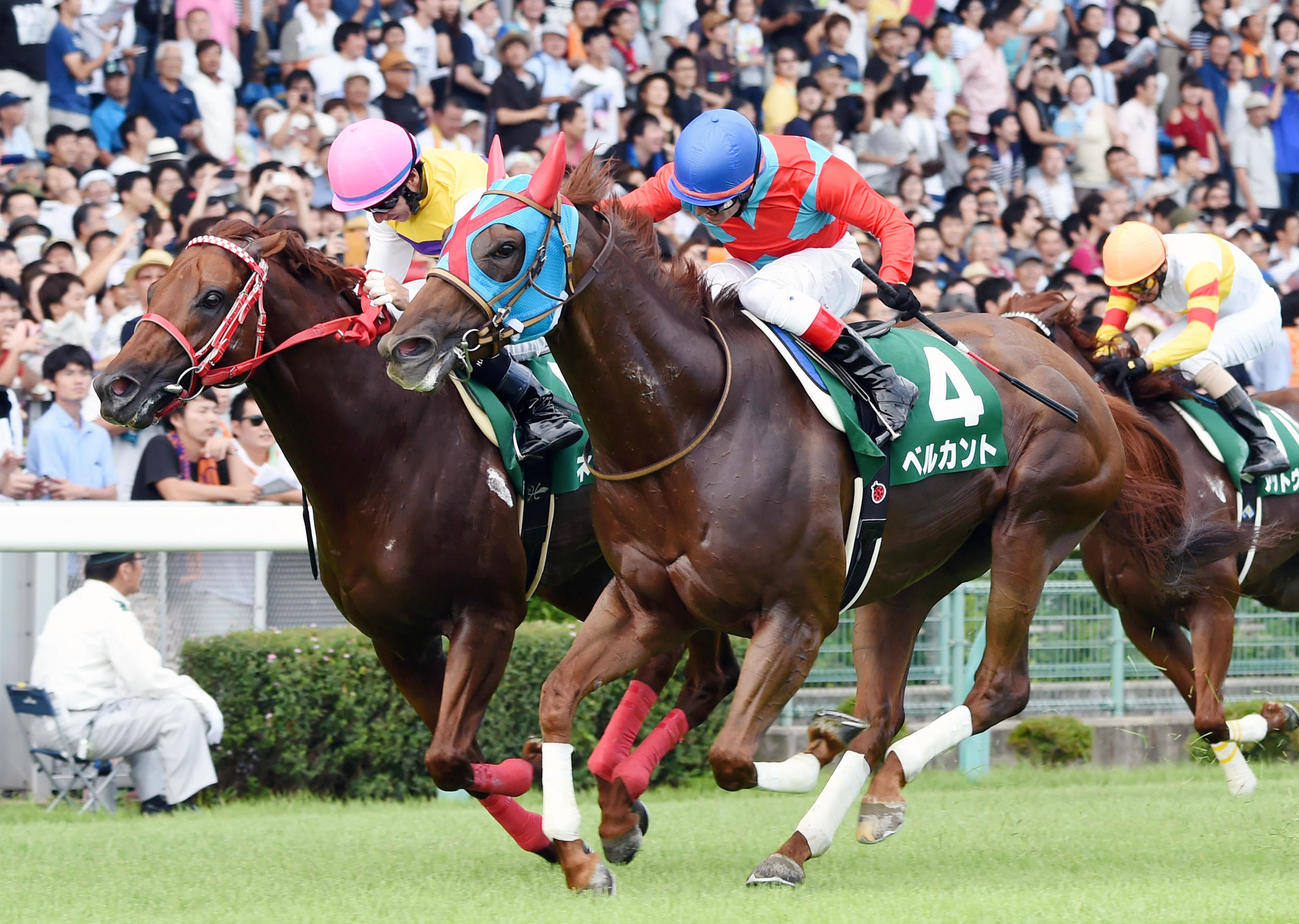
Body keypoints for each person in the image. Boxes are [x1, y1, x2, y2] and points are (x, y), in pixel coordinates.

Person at [617, 108, 920, 442]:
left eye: (713, 208)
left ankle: (882, 380)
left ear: (747, 188)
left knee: (759, 292)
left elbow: (891, 221)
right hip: (760, 269)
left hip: (831, 261)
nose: (699, 214)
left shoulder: (812, 172)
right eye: (692, 203)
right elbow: (611, 216)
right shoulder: (692, 178)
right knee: (709, 288)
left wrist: (894, 277)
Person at [327, 118, 580, 461]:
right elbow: (378, 278)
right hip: (466, 286)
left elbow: (471, 289)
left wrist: (405, 296)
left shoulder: (468, 192)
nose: (379, 219)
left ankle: (537, 405)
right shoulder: (393, 200)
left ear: (413, 180)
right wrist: (366, 315)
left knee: (445, 324)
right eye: (369, 209)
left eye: (383, 207)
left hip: (517, 294)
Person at [30, 551, 223, 813]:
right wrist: (201, 698)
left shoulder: (68, 605)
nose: (143, 570)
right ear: (125, 570)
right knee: (179, 710)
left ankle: (155, 800)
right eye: (140, 563)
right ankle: (180, 802)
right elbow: (146, 678)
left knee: (146, 711)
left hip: (52, 727)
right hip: (80, 731)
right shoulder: (109, 611)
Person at [1097, 221, 1289, 477]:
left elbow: (1198, 337)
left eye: (1142, 287)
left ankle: (1264, 445)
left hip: (1255, 313)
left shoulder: (1198, 265)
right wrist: (1100, 359)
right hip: (1215, 311)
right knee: (1154, 353)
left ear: (1163, 266)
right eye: (1127, 288)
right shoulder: (1132, 273)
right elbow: (1108, 331)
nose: (1136, 295)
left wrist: (1142, 364)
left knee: (1195, 357)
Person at [25, 345, 117, 500]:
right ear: (50, 383)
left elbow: (112, 494)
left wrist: (83, 492)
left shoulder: (98, 433)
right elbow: (59, 492)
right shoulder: (45, 429)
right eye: (69, 373)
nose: (79, 380)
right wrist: (92, 493)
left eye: (85, 373)